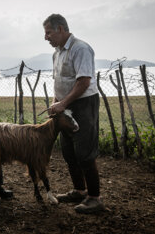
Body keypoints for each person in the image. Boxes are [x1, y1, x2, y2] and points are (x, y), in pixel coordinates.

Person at [43, 14, 104, 213]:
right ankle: (79, 191)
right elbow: (59, 82)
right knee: (69, 152)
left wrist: (63, 103)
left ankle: (94, 198)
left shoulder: (80, 48)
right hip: (65, 104)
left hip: (83, 104)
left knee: (85, 153)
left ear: (61, 29)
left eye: (48, 32)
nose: (46, 37)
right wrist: (55, 103)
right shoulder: (57, 53)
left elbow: (83, 82)